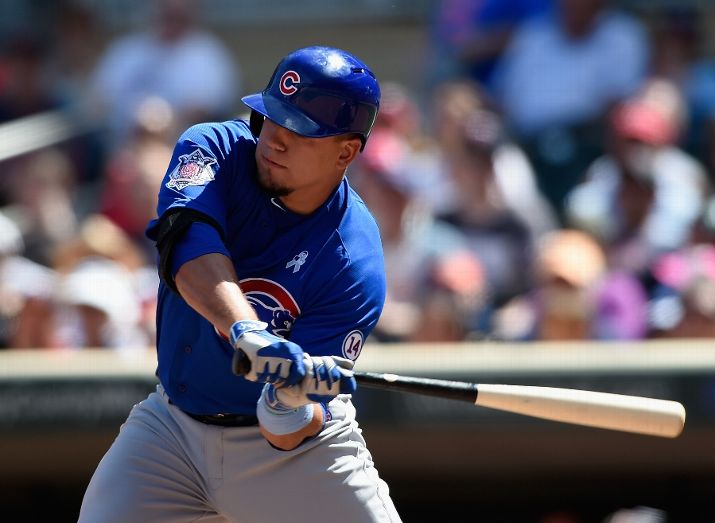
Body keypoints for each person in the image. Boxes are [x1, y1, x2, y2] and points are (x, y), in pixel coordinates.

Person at [78, 46, 401, 522]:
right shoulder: (215, 149)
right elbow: (186, 248)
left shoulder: (354, 261)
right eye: (271, 117)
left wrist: (289, 398)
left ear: (346, 151)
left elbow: (289, 433)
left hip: (294, 459)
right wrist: (250, 333)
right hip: (172, 430)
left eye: (299, 130)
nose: (274, 139)